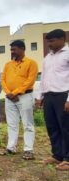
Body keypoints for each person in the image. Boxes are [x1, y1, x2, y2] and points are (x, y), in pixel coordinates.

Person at [36, 29, 69, 170]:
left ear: (62, 39)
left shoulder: (67, 54)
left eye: (52, 41)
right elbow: (43, 78)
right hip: (49, 96)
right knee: (52, 127)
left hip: (63, 95)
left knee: (66, 128)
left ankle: (68, 159)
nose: (49, 44)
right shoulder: (47, 57)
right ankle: (57, 155)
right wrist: (40, 96)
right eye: (48, 41)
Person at [1, 40, 38, 160]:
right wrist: (9, 93)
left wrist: (16, 92)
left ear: (22, 49)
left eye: (14, 49)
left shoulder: (31, 63)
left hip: (25, 96)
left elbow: (30, 81)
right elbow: (3, 80)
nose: (12, 52)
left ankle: (28, 150)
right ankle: (11, 148)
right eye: (11, 50)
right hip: (10, 98)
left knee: (27, 124)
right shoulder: (8, 64)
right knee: (12, 124)